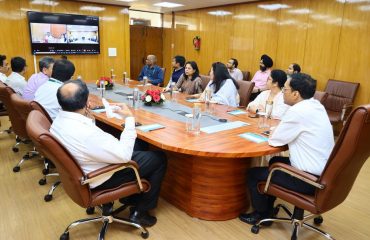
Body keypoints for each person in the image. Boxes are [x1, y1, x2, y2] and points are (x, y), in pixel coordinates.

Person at [50, 80, 167, 227]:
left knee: (140, 143)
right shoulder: (87, 134)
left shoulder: (57, 122)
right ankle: (140, 212)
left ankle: (130, 198)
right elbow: (124, 156)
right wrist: (129, 119)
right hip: (102, 175)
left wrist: (88, 116)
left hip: (85, 168)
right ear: (86, 101)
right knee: (159, 158)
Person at [239, 73, 334, 225]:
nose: (283, 92)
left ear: (296, 94)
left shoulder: (297, 111)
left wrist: (275, 131)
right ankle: (268, 207)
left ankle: (261, 215)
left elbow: (275, 140)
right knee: (275, 160)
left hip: (308, 179)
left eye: (286, 89)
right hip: (325, 174)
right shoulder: (316, 105)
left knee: (253, 174)